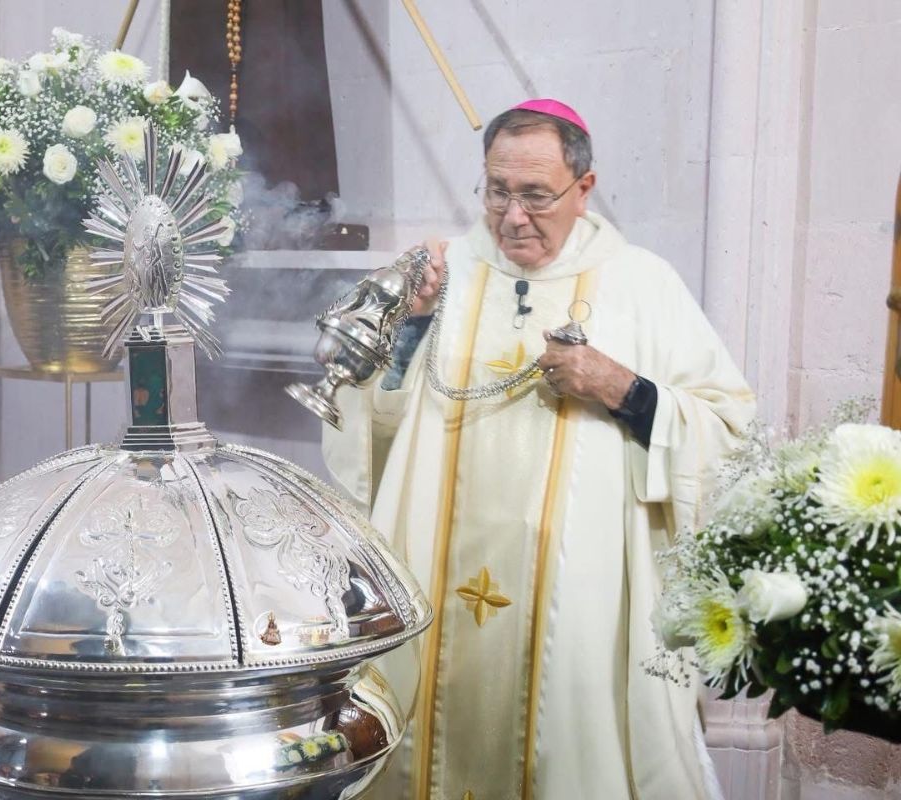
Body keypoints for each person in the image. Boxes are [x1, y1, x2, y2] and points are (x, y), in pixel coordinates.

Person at [322, 99, 755, 800]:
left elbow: (729, 427)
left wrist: (623, 389)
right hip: (434, 579)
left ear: (584, 188)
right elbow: (369, 425)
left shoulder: (641, 283)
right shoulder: (442, 274)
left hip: (581, 606)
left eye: (535, 195)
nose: (513, 217)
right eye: (497, 191)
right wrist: (409, 327)